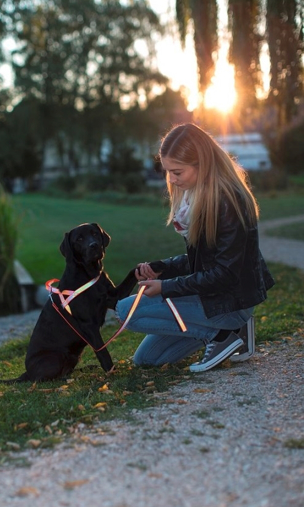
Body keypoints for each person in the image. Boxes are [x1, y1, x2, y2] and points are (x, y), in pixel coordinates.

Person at [115, 123, 275, 372]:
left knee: (127, 310)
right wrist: (162, 269)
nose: (172, 179)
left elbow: (225, 274)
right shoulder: (195, 198)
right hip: (214, 297)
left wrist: (165, 288)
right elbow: (203, 260)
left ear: (202, 164)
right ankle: (229, 332)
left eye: (177, 172)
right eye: (168, 171)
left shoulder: (227, 202)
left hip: (230, 301)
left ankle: (223, 335)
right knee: (147, 359)